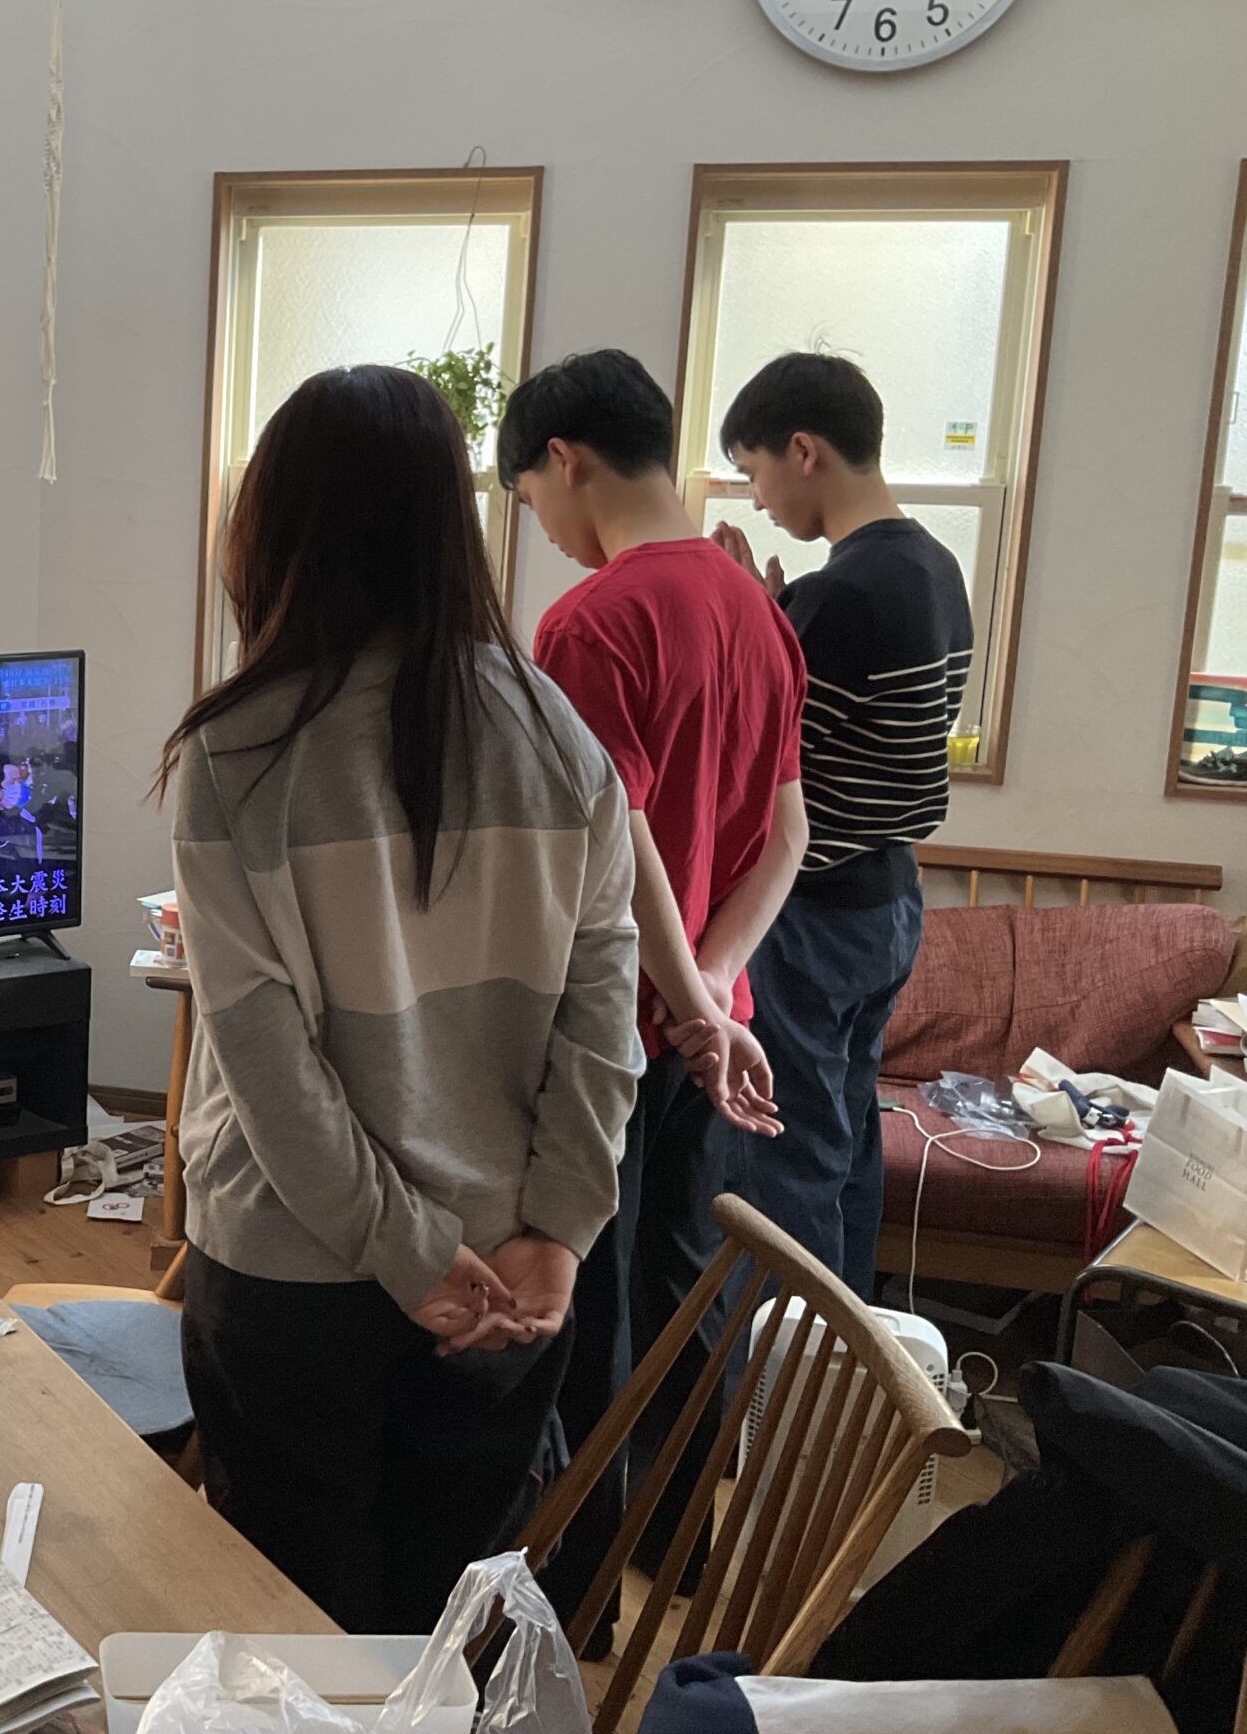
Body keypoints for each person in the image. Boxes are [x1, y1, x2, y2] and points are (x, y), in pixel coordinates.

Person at [161, 364, 644, 1633]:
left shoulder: (235, 753)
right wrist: (559, 1230)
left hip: (297, 1267)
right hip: (507, 1277)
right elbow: (603, 1023)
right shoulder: (560, 740)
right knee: (447, 1626)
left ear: (272, 526)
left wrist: (405, 1254)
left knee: (294, 1630)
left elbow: (266, 1065)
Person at [497, 348, 803, 1643]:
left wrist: (681, 1002)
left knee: (589, 1306)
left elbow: (613, 841)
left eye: (530, 499)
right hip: (706, 1028)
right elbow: (787, 832)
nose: (544, 529)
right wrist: (719, 992)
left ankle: (581, 1607)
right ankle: (679, 1548)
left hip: (615, 1032)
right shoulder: (753, 607)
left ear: (564, 460)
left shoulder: (591, 623)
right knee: (685, 1285)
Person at [714, 354, 973, 1299]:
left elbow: (761, 755)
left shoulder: (846, 590)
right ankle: (853, 1343)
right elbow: (852, 726)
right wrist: (774, 612)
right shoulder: (935, 568)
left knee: (785, 1154)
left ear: (803, 450)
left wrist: (752, 618)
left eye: (755, 471)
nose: (759, 497)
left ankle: (789, 1368)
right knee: (847, 1136)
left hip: (812, 910)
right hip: (889, 898)